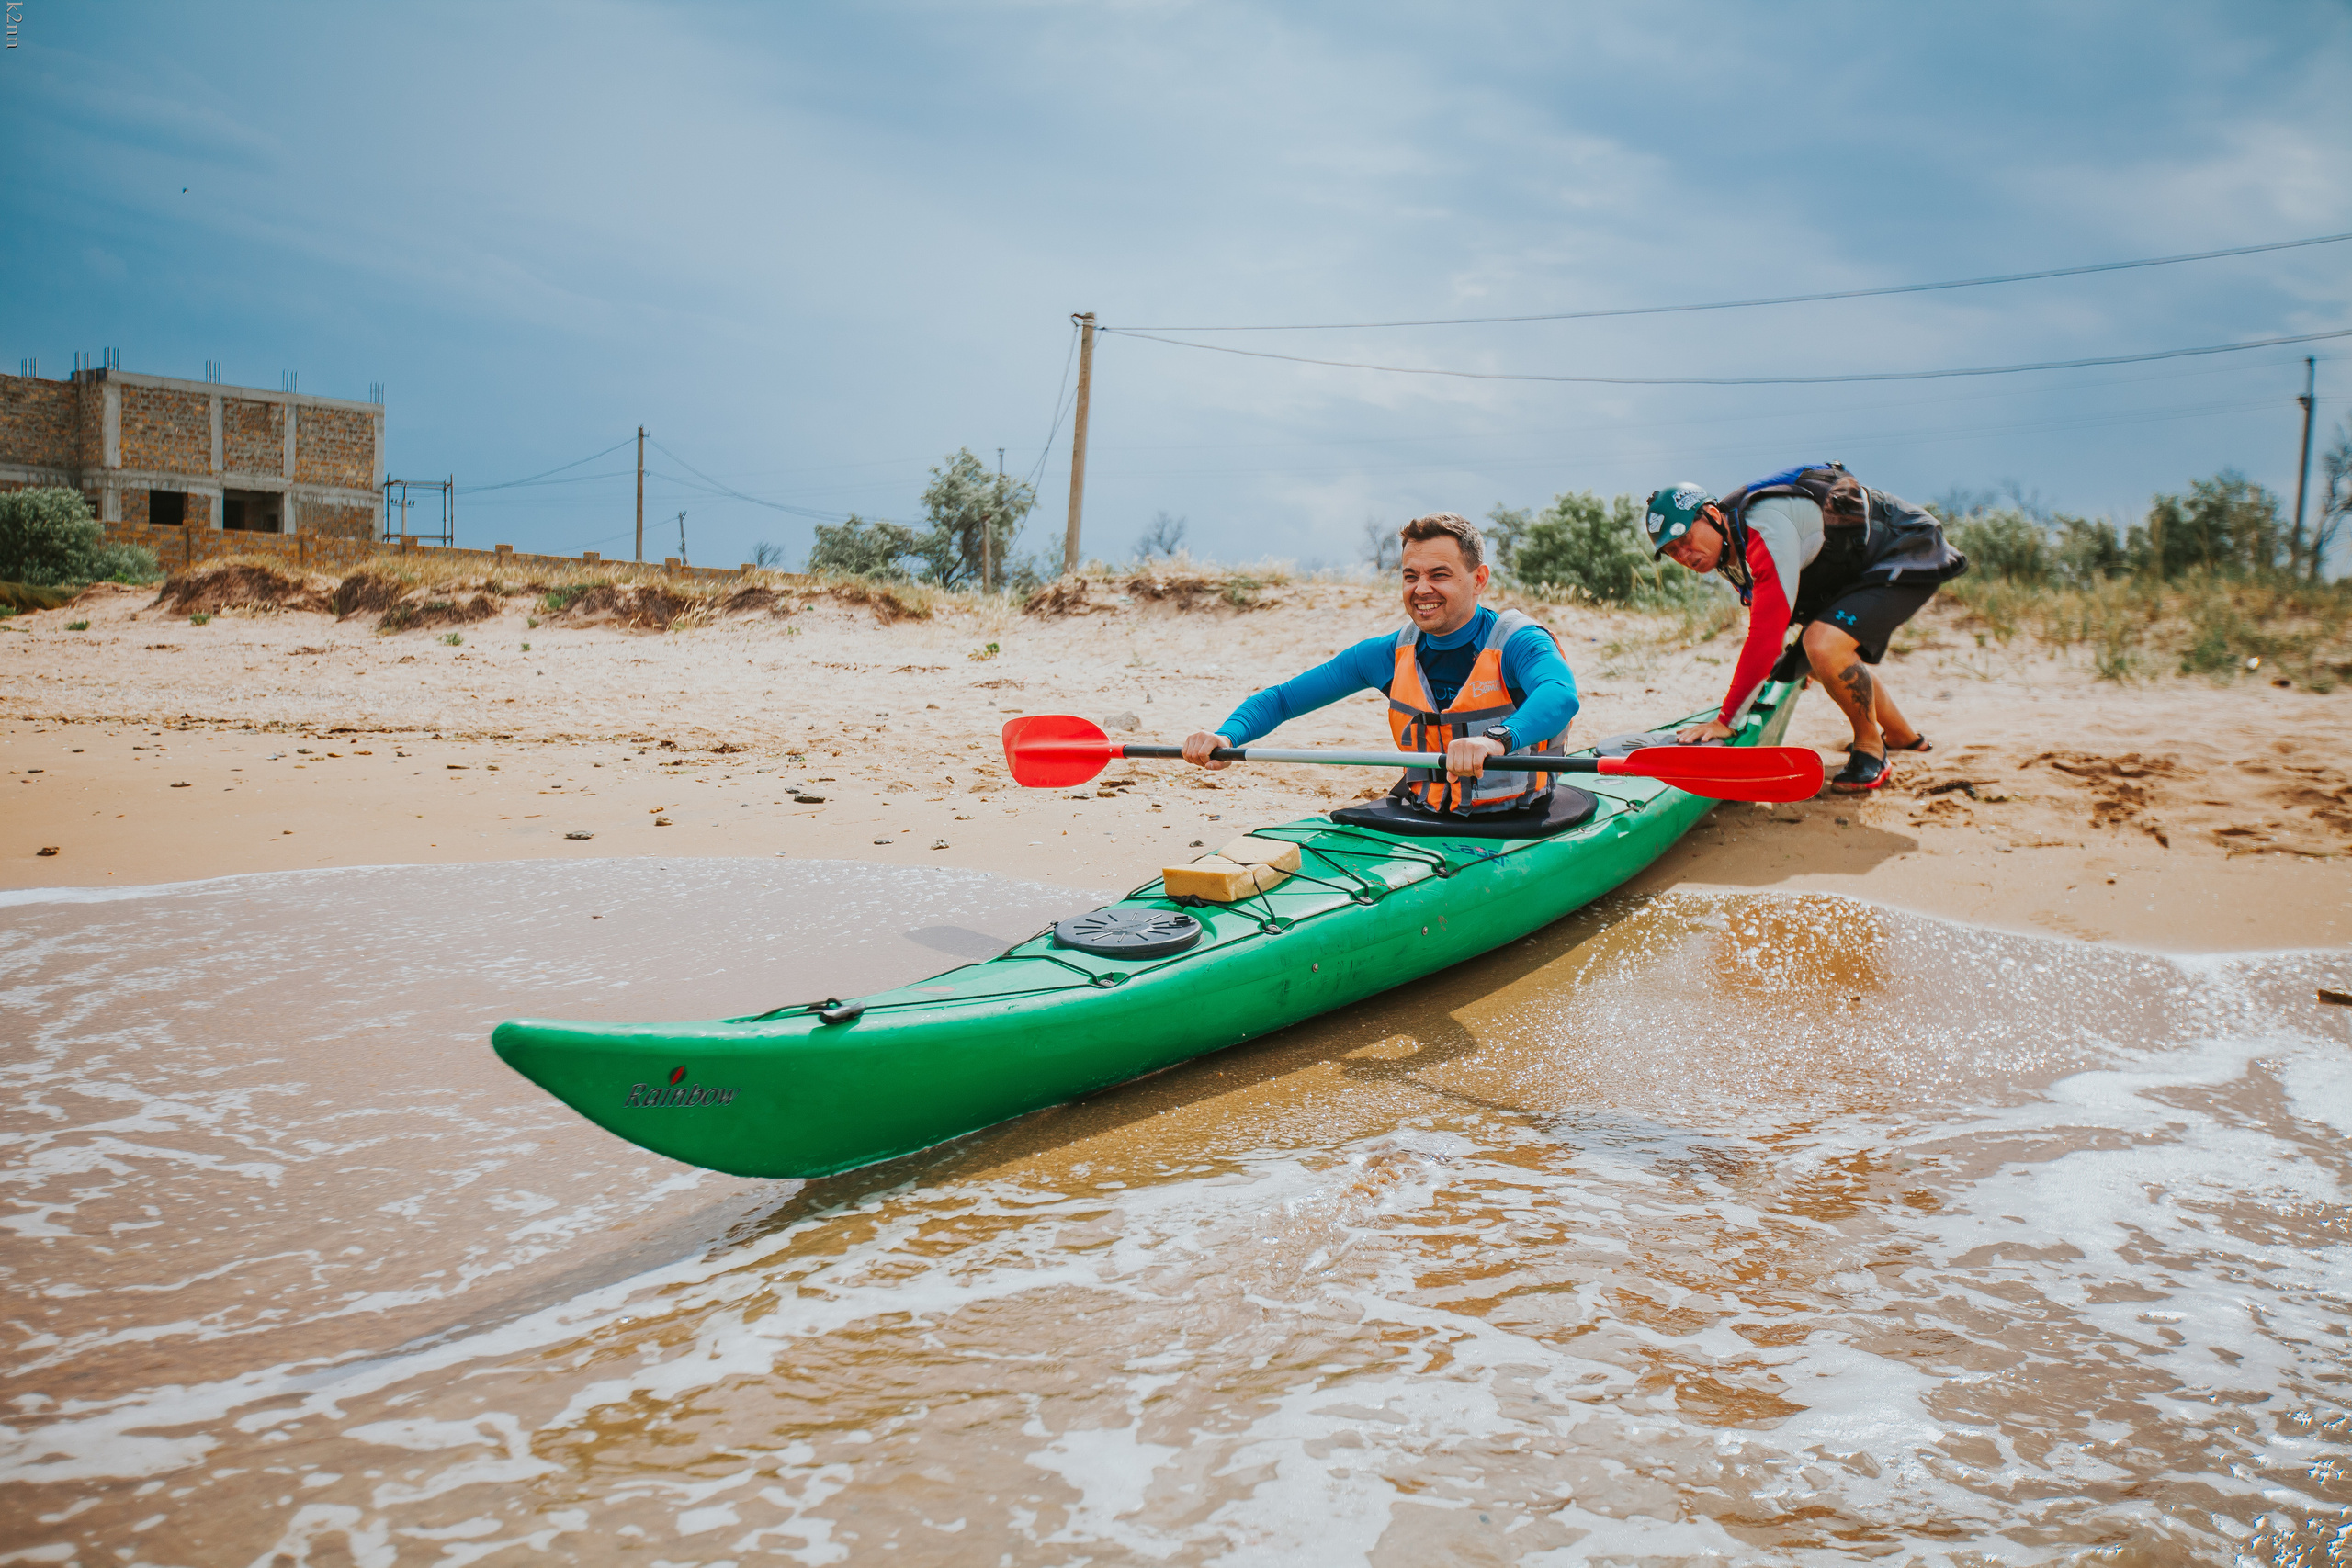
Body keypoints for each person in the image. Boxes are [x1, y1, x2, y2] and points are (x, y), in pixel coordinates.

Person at [1182, 513, 1578, 815]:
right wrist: (1226, 737)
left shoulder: (1519, 642)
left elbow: (1559, 696)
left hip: (1523, 816)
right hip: (1425, 813)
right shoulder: (1385, 654)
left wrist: (1496, 739)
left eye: (1439, 575)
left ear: (1479, 579)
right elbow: (1283, 700)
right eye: (1410, 576)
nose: (1422, 589)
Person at [1643, 463, 1966, 793]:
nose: (1684, 555)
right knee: (1823, 651)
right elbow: (1777, 613)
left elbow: (1765, 637)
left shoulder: (1762, 527)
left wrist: (1726, 721)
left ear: (1712, 514)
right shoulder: (1730, 548)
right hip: (1860, 568)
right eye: (1671, 551)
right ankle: (1903, 737)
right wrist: (1805, 662)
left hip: (1906, 545)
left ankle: (1871, 749)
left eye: (1685, 538)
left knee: (1823, 645)